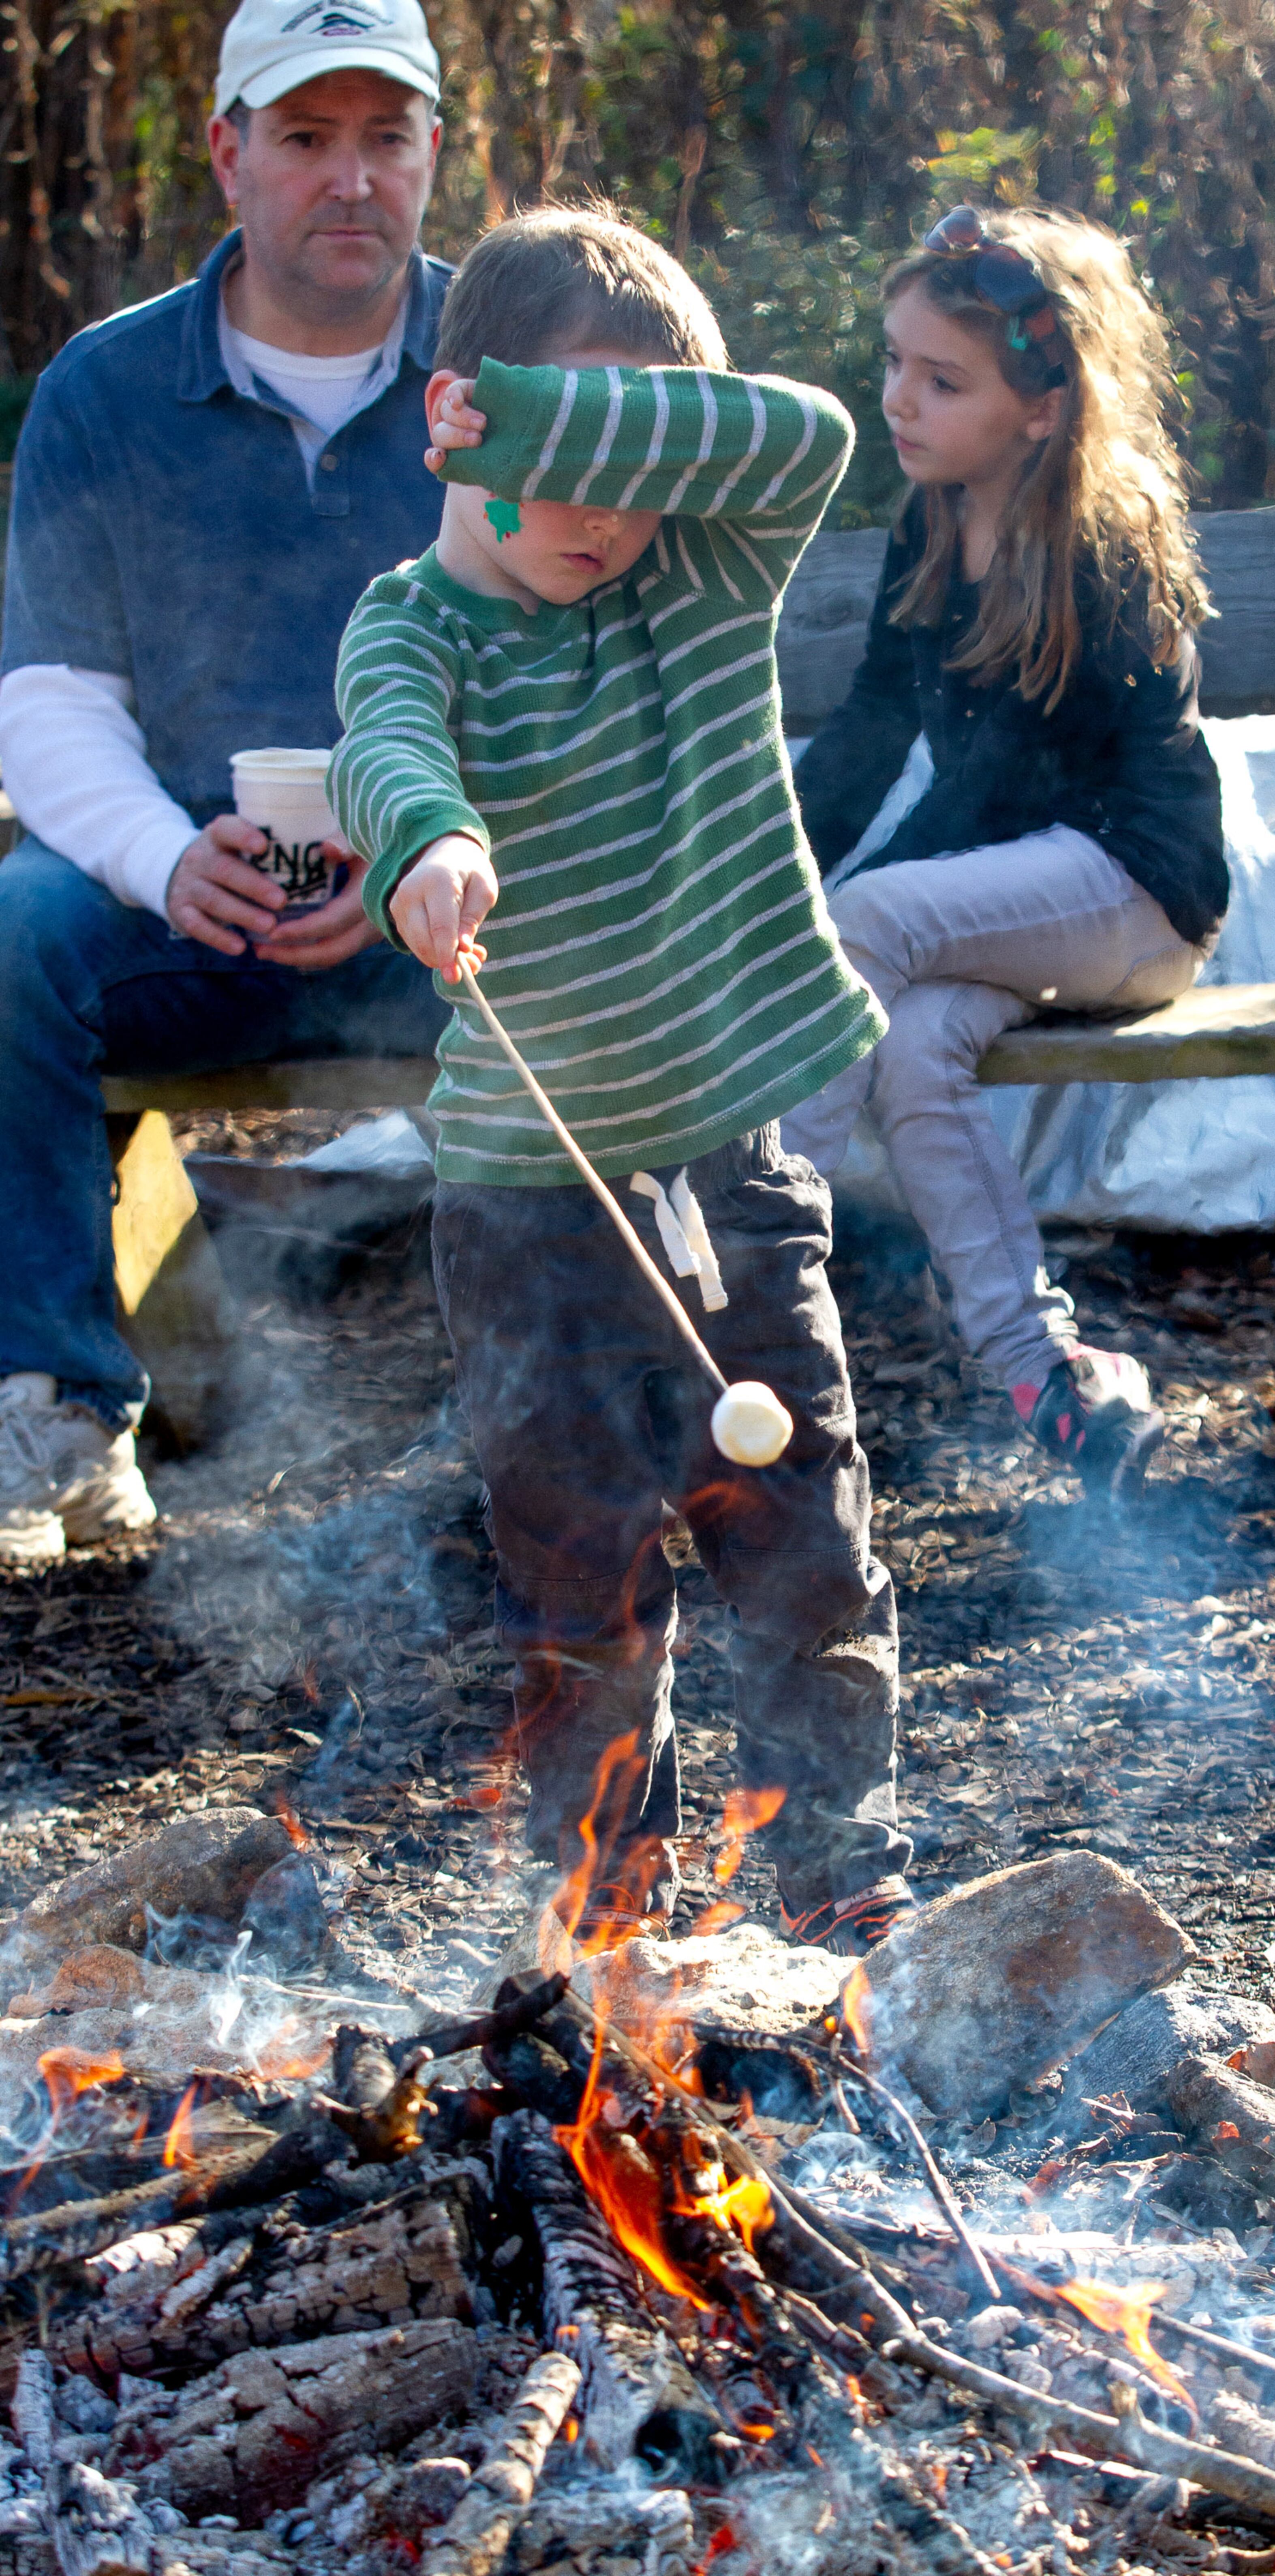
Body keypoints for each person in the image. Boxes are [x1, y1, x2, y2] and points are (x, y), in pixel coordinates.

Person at [329, 207, 912, 1963]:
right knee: (581, 1581)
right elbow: (385, 748)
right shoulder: (410, 622)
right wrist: (426, 841)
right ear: (463, 417)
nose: (605, 510)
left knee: (807, 1535)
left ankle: (841, 1870)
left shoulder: (703, 575)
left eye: (639, 455)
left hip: (729, 1160)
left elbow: (808, 431)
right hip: (528, 1202)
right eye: (560, 458)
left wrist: (557, 427)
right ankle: (608, 1906)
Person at [0, 0, 454, 1568]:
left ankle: (554, 1399)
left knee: (611, 932)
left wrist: (426, 864)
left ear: (434, 156)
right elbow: (53, 699)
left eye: (385, 139)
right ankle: (60, 1411)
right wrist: (154, 856)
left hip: (457, 918)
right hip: (196, 911)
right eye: (307, 139)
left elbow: (601, 681)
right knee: (16, 934)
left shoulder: (509, 362)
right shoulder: (109, 391)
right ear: (228, 154)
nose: (350, 182)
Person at [782, 204, 1228, 1502]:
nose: (899, 402)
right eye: (894, 365)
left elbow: (1010, 788)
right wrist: (779, 876)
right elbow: (870, 730)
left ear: (1042, 408)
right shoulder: (931, 521)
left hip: (1138, 891)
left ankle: (750, 1286)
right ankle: (1055, 1379)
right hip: (1033, 888)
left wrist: (838, 907)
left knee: (868, 922)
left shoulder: (1103, 533)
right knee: (915, 1044)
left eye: (941, 380)